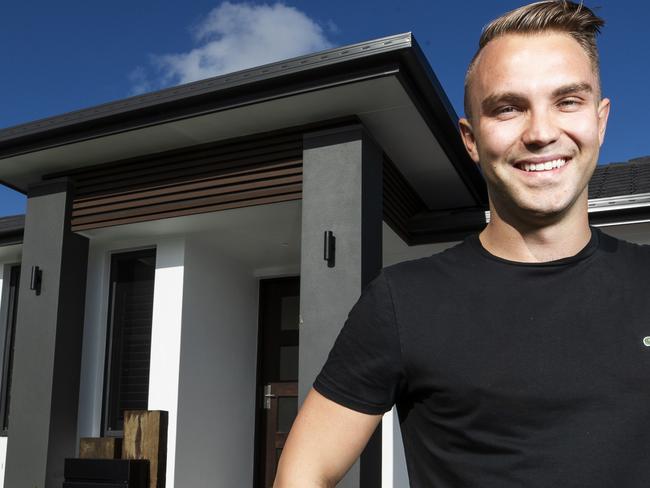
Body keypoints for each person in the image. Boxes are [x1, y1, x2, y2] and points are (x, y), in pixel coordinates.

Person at [275, 1, 650, 486]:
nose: (540, 132)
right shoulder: (402, 301)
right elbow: (304, 471)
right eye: (508, 108)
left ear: (600, 121)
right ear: (471, 140)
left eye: (567, 101)